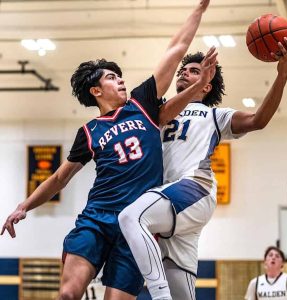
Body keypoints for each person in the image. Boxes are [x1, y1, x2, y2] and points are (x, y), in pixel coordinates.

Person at [0, 1, 216, 300]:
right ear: (96, 91)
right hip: (97, 218)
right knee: (67, 293)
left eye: (120, 75)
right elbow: (60, 178)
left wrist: (199, 10)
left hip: (137, 227)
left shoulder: (142, 105)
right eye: (112, 77)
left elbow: (176, 48)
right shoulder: (89, 132)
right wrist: (24, 206)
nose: (121, 79)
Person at [118, 35, 287, 300]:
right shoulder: (158, 113)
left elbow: (258, 120)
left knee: (130, 217)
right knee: (182, 293)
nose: (184, 73)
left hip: (193, 189)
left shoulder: (215, 115)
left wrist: (282, 73)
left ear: (206, 85)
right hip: (168, 204)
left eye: (194, 71)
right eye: (183, 70)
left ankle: (158, 294)